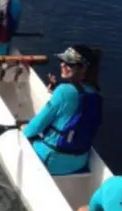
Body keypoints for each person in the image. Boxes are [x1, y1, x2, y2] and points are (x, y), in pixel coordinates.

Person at [22, 45, 103, 175]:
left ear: (83, 69)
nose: (62, 65)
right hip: (80, 162)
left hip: (52, 159)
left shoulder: (63, 91)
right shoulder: (95, 94)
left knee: (24, 135)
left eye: (69, 63)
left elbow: (34, 127)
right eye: (62, 61)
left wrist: (23, 131)